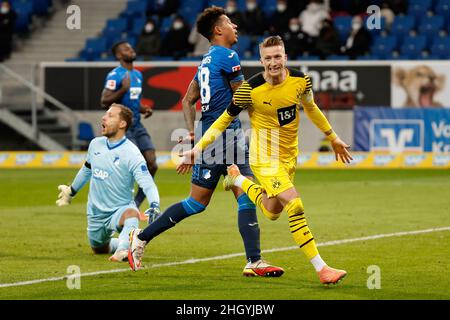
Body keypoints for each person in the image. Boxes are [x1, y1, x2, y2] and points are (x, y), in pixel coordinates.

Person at [177, 36, 353, 285]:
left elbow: (311, 108)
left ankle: (237, 179)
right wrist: (198, 148)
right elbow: (224, 120)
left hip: (288, 156)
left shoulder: (301, 81)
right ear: (261, 61)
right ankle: (322, 268)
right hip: (264, 157)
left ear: (285, 57)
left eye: (277, 56)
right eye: (268, 58)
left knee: (272, 211)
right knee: (295, 204)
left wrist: (333, 137)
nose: (273, 62)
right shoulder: (250, 90)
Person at [128, 6, 284, 277]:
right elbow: (243, 96)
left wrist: (192, 134)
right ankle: (141, 238)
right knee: (208, 200)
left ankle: (253, 261)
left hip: (214, 135)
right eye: (229, 22)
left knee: (225, 198)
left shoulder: (205, 61)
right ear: (218, 30)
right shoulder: (229, 55)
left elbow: (188, 100)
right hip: (223, 136)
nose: (235, 26)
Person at [55, 104, 160, 262]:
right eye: (105, 114)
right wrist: (71, 191)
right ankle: (131, 241)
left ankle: (123, 250)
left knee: (132, 214)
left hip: (120, 209)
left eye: (110, 115)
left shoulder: (132, 153)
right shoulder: (95, 144)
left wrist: (154, 204)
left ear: (122, 124)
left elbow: (147, 183)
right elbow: (86, 170)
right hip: (95, 213)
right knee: (98, 249)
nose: (104, 118)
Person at [101, 41, 159, 213]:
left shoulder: (138, 75)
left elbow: (133, 100)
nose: (131, 50)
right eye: (126, 49)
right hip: (123, 127)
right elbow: (104, 101)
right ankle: (119, 204)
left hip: (138, 124)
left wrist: (144, 108)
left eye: (131, 48)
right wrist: (121, 90)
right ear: (119, 55)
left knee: (152, 164)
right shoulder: (115, 75)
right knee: (131, 166)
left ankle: (136, 203)